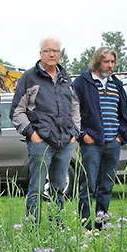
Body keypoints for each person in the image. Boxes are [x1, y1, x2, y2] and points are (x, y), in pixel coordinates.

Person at [11, 37, 79, 221]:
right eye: (47, 50)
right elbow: (17, 110)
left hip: (64, 142)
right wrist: (32, 134)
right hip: (41, 143)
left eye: (55, 51)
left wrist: (74, 133)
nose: (51, 54)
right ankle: (33, 229)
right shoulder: (29, 77)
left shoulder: (66, 78)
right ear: (40, 53)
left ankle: (58, 229)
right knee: (36, 189)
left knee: (59, 187)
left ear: (60, 54)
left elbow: (75, 108)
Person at [73, 46, 127, 229]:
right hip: (92, 143)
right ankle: (86, 226)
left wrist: (120, 137)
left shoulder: (117, 84)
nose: (110, 65)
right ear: (97, 61)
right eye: (106, 61)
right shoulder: (82, 83)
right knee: (88, 186)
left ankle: (102, 223)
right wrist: (84, 135)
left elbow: (124, 113)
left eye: (113, 62)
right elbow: (74, 112)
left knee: (106, 186)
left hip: (112, 143)